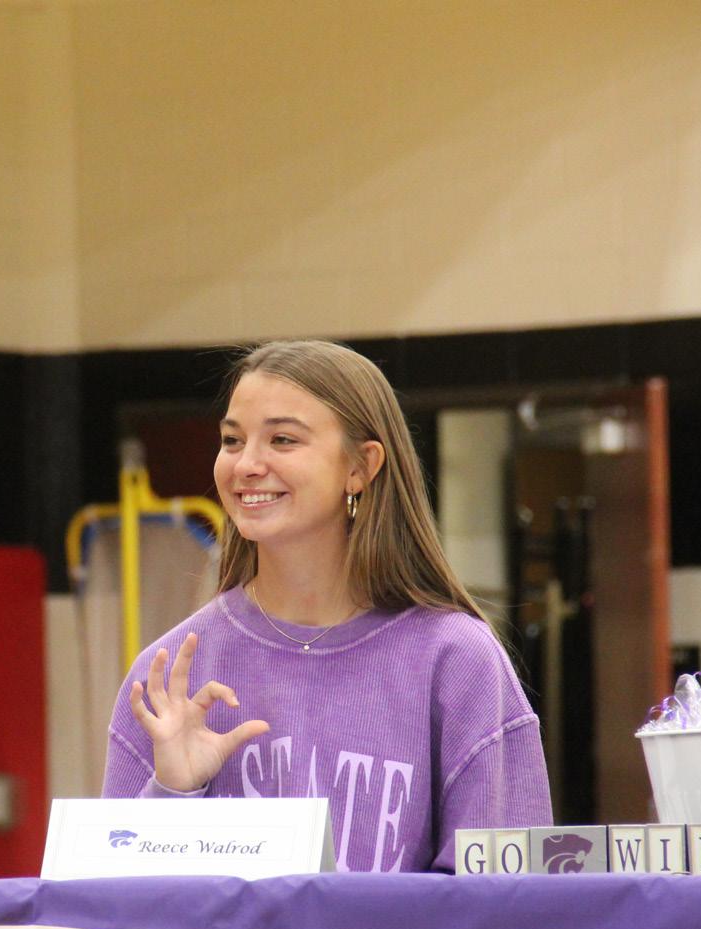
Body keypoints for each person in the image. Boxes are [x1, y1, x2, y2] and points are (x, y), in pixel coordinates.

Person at [103, 340, 553, 872]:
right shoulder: (171, 676)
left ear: (361, 466)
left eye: (283, 439)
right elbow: (113, 907)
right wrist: (172, 793)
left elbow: (509, 896)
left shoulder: (457, 660)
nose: (246, 464)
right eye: (232, 440)